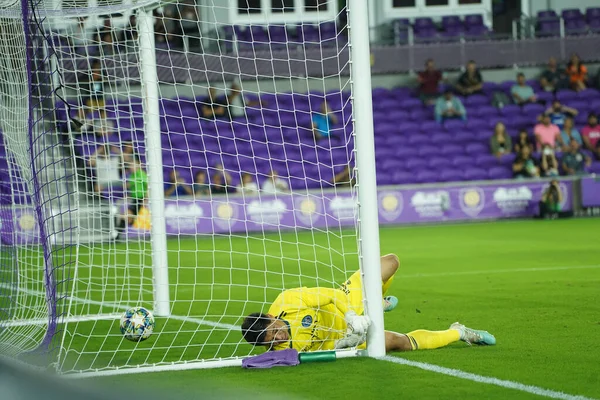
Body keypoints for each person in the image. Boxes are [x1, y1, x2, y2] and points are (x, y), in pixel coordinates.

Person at [241, 254, 496, 353]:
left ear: (271, 316)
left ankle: (373, 303)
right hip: (347, 335)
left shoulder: (287, 300)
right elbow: (322, 351)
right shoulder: (281, 352)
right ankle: (460, 331)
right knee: (398, 343)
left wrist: (352, 314)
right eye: (270, 341)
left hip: (345, 302)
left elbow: (333, 295)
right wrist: (344, 341)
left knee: (390, 263)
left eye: (274, 331)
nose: (277, 338)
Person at [125, 156, 148, 227]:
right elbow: (131, 187)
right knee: (130, 215)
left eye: (133, 165)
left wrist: (146, 199)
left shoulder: (141, 173)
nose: (131, 167)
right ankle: (131, 228)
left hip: (141, 199)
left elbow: (148, 186)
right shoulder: (131, 175)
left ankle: (129, 230)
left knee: (129, 214)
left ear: (138, 165)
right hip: (134, 199)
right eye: (130, 165)